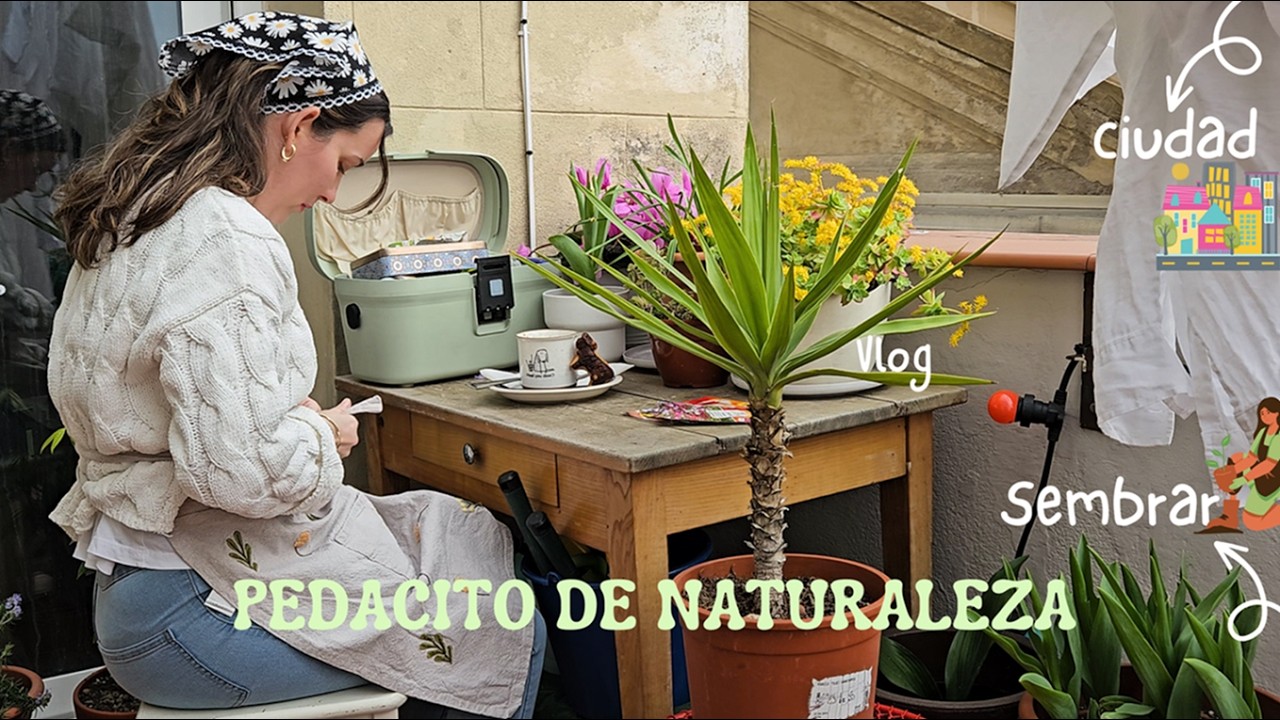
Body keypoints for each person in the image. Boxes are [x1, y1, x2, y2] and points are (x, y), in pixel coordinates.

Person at [45, 12, 545, 718]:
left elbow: (182, 420)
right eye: (343, 164)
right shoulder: (225, 240)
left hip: (143, 592)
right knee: (497, 629)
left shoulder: (136, 221)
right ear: (295, 127)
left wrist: (281, 424)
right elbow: (243, 473)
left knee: (453, 551)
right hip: (195, 617)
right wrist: (326, 436)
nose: (333, 195)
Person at [1203, 397, 1280, 533]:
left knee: (1253, 522)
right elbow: (1251, 458)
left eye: (1269, 412)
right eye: (1262, 413)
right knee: (1236, 458)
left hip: (1272, 481)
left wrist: (1243, 479)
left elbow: (1268, 464)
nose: (1265, 416)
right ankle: (1230, 515)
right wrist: (1232, 471)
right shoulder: (1263, 433)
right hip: (1261, 473)